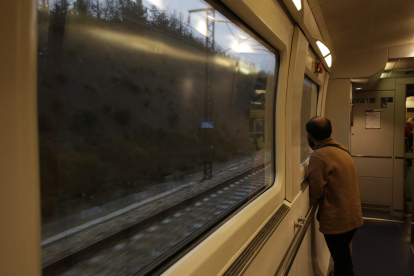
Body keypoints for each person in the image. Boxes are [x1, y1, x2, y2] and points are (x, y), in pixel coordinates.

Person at [306, 116, 363, 276]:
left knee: (344, 265)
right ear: (331, 132)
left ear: (309, 135)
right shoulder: (342, 150)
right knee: (342, 260)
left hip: (337, 221)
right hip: (353, 216)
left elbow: (316, 192)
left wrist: (319, 188)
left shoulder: (318, 156)